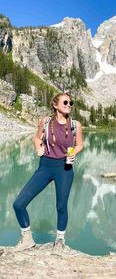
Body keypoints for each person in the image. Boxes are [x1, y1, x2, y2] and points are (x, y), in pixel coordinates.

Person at [12, 92, 83, 253]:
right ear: (55, 104)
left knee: (61, 206)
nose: (69, 105)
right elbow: (37, 138)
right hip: (44, 167)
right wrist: (38, 148)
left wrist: (74, 153)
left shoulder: (75, 125)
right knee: (18, 204)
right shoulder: (45, 122)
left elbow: (80, 144)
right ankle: (27, 238)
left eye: (71, 103)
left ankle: (59, 241)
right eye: (65, 102)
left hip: (64, 168)